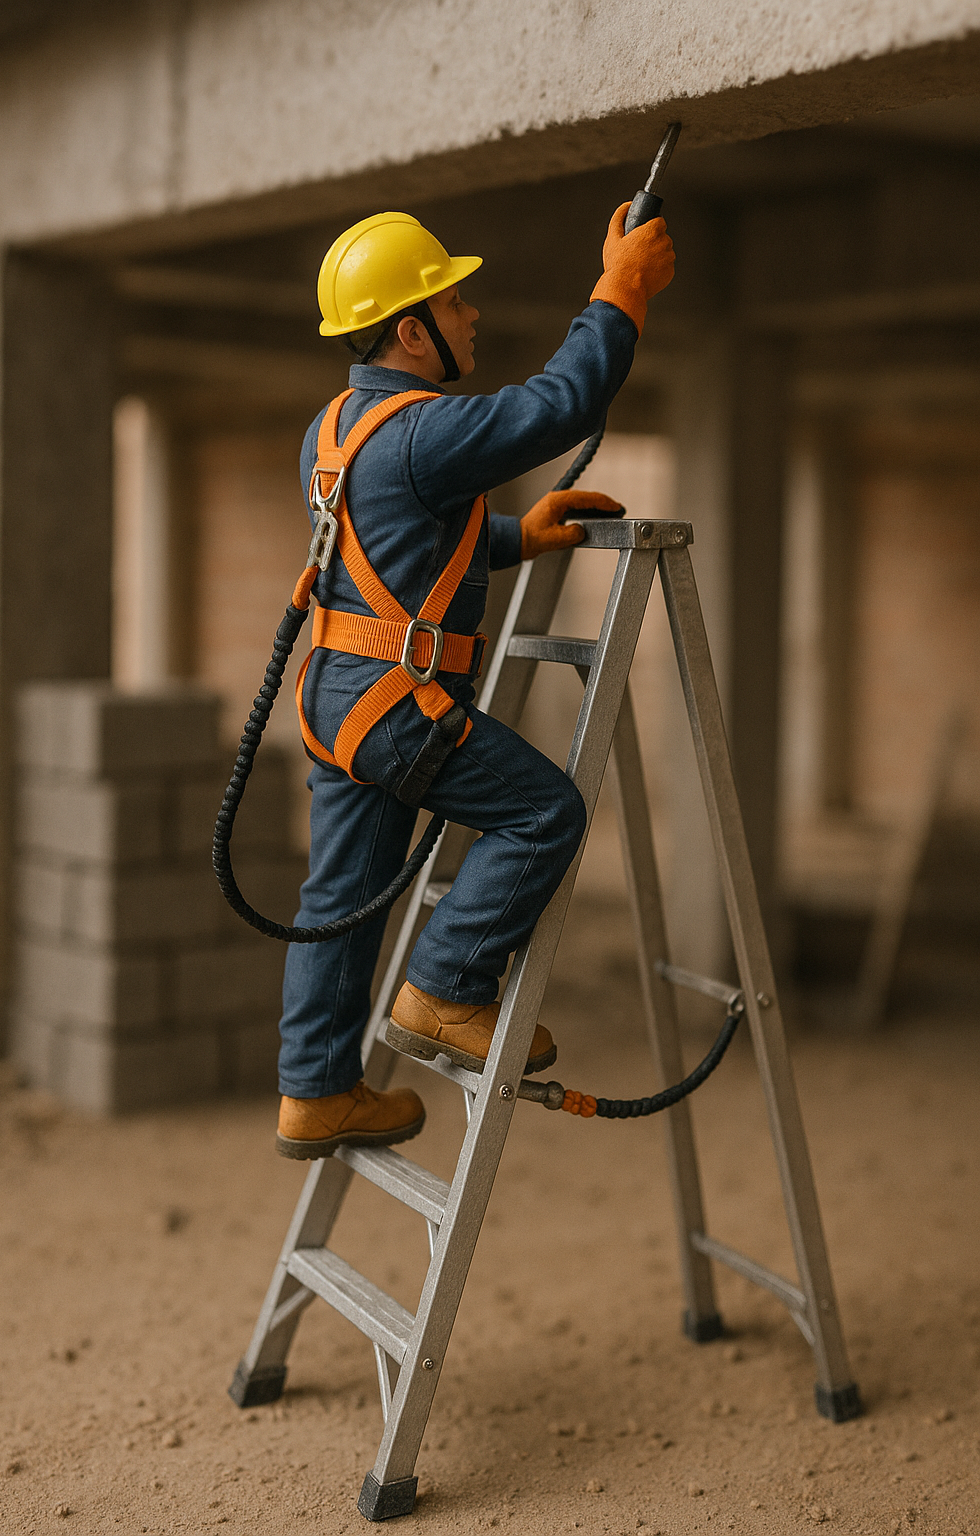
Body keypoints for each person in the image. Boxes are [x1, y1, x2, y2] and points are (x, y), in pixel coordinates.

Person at [275, 206, 675, 1158]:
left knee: (337, 903)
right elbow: (559, 405)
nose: (473, 315)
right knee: (546, 813)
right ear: (410, 330)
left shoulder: (333, 429)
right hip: (398, 706)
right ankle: (449, 989)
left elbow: (401, 540)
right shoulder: (425, 429)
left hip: (338, 700)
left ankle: (315, 1093)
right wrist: (621, 289)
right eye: (455, 303)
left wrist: (517, 538)